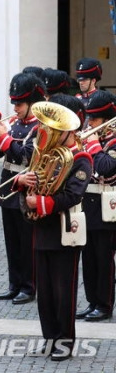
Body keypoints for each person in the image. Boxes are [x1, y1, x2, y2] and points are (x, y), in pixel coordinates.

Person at [16, 101, 92, 361]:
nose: (43, 131)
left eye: (51, 128)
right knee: (45, 293)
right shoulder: (42, 155)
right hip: (42, 230)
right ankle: (49, 338)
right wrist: (23, 183)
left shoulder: (81, 159)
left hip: (65, 230)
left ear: (68, 130)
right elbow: (30, 189)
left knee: (63, 291)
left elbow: (73, 195)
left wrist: (38, 202)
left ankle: (65, 342)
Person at [0, 73, 46, 305]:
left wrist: (4, 139)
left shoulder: (40, 128)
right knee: (12, 242)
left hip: (26, 190)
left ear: (33, 102)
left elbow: (28, 157)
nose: (15, 107)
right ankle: (15, 283)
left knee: (27, 243)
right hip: (10, 187)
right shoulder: (14, 125)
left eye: (20, 103)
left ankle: (29, 286)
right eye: (14, 103)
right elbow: (3, 154)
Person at [78, 90, 116, 322]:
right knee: (88, 259)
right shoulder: (92, 138)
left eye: (94, 119)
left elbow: (105, 167)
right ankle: (92, 301)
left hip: (106, 207)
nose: (89, 123)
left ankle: (104, 304)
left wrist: (91, 145)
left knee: (103, 259)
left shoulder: (112, 141)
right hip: (86, 206)